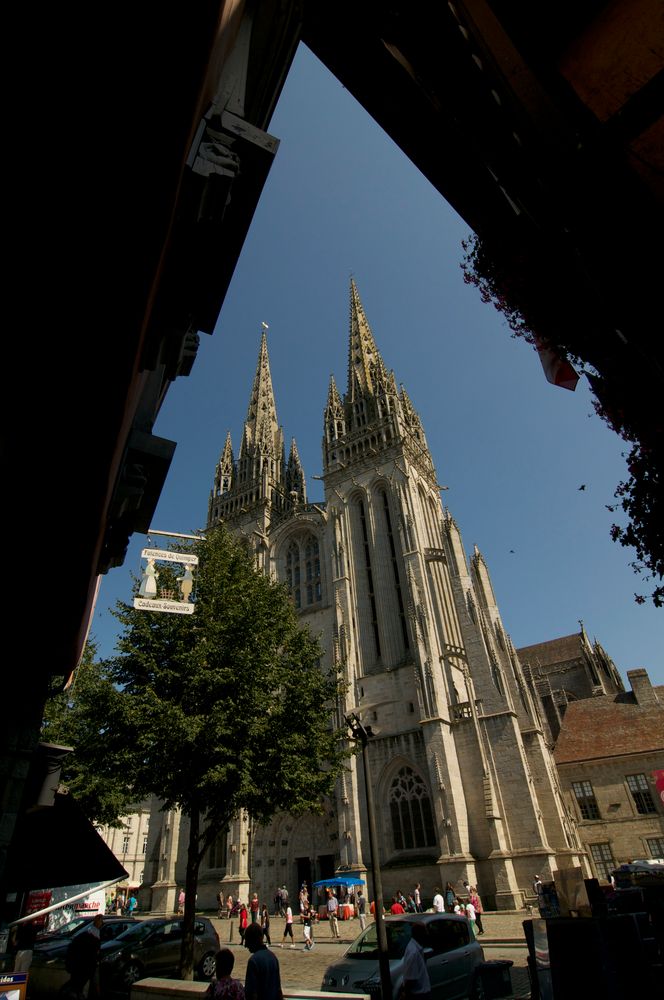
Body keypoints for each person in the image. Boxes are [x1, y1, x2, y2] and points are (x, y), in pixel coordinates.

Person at [63, 913, 104, 999]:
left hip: (83, 965)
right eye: (100, 921)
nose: (101, 923)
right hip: (85, 966)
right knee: (80, 985)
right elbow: (92, 953)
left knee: (80, 985)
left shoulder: (88, 934)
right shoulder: (92, 936)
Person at [244, 923, 283, 1000]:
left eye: (247, 940)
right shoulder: (273, 957)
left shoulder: (253, 961)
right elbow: (278, 990)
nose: (245, 945)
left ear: (252, 940)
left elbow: (251, 993)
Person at [401, 922, 431, 1000]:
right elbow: (410, 979)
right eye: (425, 933)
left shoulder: (416, 948)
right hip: (418, 995)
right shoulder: (413, 952)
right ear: (420, 934)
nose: (427, 935)